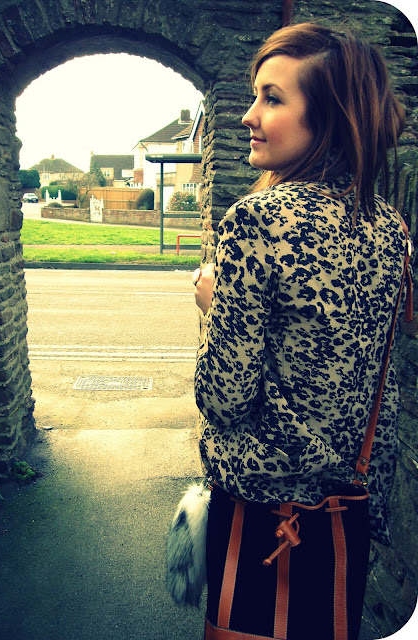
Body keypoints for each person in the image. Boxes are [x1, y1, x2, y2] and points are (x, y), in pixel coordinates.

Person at [193, 22, 408, 640]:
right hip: (347, 506)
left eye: (272, 98)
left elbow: (223, 397)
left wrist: (214, 306)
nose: (248, 116)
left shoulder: (257, 221)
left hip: (263, 513)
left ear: (330, 118)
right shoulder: (389, 227)